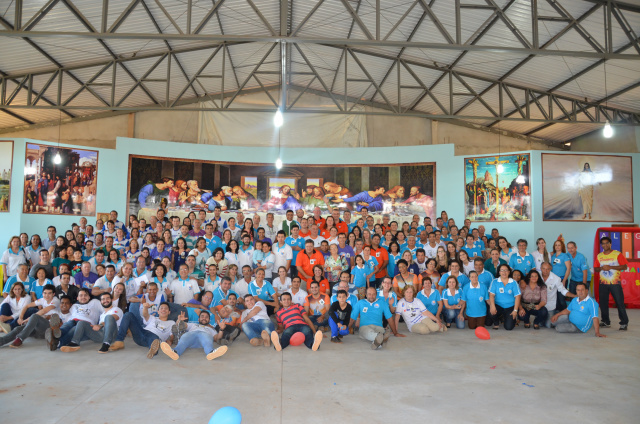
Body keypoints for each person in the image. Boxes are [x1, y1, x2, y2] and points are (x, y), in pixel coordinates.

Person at [109, 302, 176, 358]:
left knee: (155, 338)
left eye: (166, 309)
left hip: (155, 337)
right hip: (141, 333)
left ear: (169, 312)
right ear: (158, 311)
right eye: (161, 308)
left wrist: (170, 341)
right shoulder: (153, 318)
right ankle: (119, 341)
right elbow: (145, 315)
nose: (163, 310)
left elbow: (172, 334)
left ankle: (153, 350)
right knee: (128, 315)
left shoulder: (171, 323)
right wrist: (145, 308)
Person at [160, 309, 228, 360]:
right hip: (191, 335)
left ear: (209, 320)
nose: (204, 318)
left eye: (206, 317)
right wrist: (179, 320)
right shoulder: (193, 324)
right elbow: (179, 325)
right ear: (198, 319)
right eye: (202, 316)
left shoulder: (212, 329)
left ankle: (211, 352)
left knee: (207, 339)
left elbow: (217, 338)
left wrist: (221, 329)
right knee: (184, 337)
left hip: (204, 336)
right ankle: (175, 352)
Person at [594, 237, 629, 331]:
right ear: (601, 245)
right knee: (603, 303)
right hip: (603, 283)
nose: (605, 245)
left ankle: (624, 323)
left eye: (607, 243)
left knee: (619, 303)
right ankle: (606, 321)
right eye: (603, 243)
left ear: (610, 244)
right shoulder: (599, 256)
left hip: (615, 283)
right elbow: (596, 268)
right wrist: (602, 268)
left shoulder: (617, 254)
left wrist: (610, 267)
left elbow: (625, 266)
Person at [488, 264, 521, 331]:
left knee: (509, 328)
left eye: (506, 270)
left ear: (509, 272)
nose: (504, 272)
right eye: (502, 270)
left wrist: (515, 310)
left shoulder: (514, 282)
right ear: (499, 272)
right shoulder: (494, 281)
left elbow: (517, 297)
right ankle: (496, 323)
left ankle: (508, 318)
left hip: (510, 307)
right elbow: (491, 295)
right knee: (491, 312)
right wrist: (492, 306)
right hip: (498, 305)